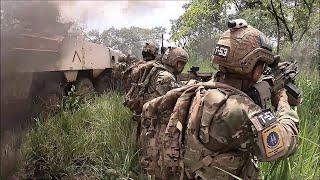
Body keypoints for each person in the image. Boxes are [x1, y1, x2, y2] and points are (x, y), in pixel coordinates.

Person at [140, 19, 300, 179]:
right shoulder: (240, 111)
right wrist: (283, 102)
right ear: (255, 68)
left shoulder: (196, 89)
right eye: (262, 66)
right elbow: (285, 144)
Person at [124, 47, 189, 142]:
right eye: (180, 63)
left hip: (146, 117)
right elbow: (171, 97)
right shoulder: (166, 76)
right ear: (173, 61)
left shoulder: (157, 70)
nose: (182, 67)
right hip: (155, 122)